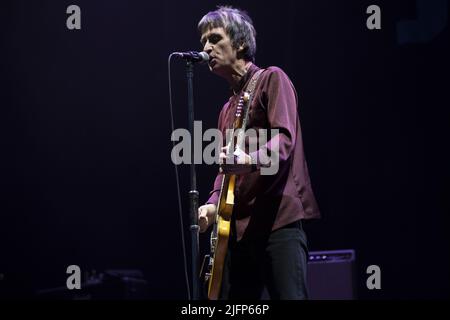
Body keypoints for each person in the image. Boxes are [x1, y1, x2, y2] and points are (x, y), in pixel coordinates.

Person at [197, 6, 320, 300]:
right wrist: (213, 205)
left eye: (214, 38)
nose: (206, 48)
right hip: (239, 232)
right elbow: (225, 170)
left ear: (239, 43)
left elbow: (284, 140)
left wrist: (249, 160)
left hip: (279, 225)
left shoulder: (272, 80)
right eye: (203, 42)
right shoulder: (226, 110)